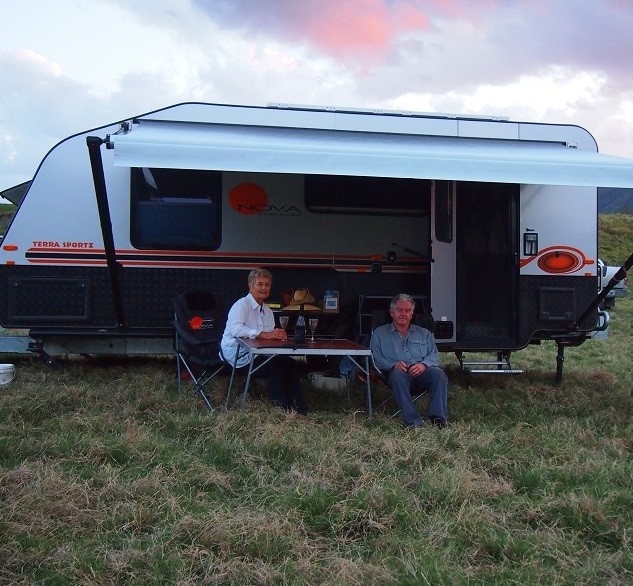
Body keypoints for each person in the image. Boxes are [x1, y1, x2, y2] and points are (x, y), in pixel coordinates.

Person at [221, 268, 307, 415]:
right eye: (260, 284)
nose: (264, 288)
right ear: (250, 286)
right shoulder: (241, 305)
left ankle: (299, 408)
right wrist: (265, 335)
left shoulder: (267, 310)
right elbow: (236, 330)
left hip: (258, 353)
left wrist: (277, 336)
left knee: (290, 363)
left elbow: (269, 337)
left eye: (267, 285)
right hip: (238, 356)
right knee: (275, 366)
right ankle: (281, 408)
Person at [370, 293, 448, 428]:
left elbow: (434, 356)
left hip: (421, 374)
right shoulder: (379, 334)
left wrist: (423, 365)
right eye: (399, 310)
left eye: (407, 311)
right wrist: (393, 365)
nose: (403, 314)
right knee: (398, 375)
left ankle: (438, 419)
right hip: (396, 376)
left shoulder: (424, 333)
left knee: (439, 374)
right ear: (391, 312)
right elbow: (375, 359)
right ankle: (413, 421)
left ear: (412, 314)